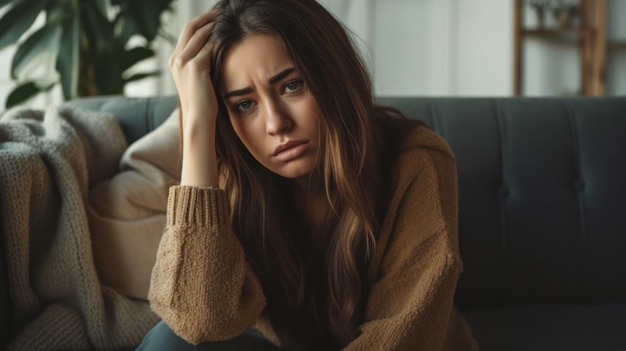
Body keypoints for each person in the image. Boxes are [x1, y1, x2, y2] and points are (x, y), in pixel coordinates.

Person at [137, 0, 478, 350]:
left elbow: (401, 337)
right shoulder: (234, 178)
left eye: (291, 85)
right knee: (170, 343)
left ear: (332, 75)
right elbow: (196, 320)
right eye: (244, 104)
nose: (276, 123)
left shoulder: (417, 163)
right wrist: (196, 123)